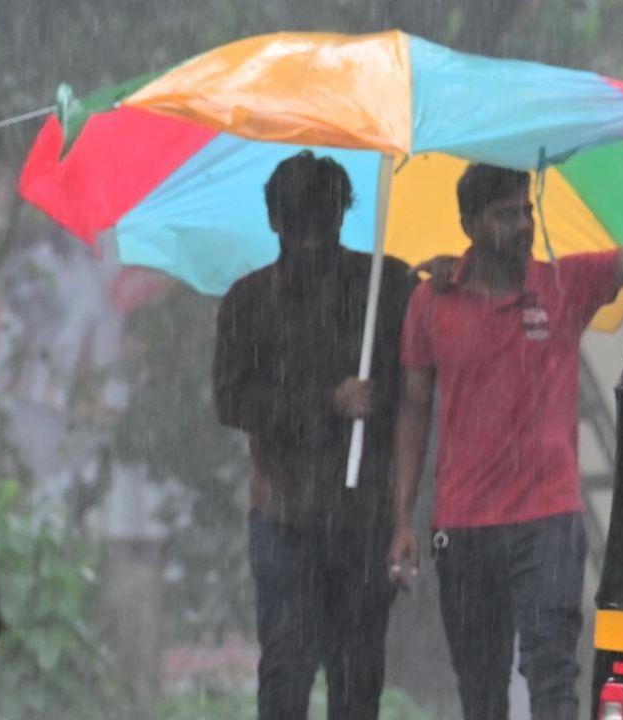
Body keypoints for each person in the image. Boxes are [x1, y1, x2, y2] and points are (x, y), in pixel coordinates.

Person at [388, 139, 623, 720]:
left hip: (549, 523)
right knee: (480, 692)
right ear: (470, 224)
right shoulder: (431, 302)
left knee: (553, 678)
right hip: (464, 526)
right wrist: (402, 520)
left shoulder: (564, 285)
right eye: (507, 215)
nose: (524, 225)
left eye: (527, 210)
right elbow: (411, 410)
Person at [213, 150, 414, 720]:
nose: (310, 240)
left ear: (343, 217)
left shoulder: (388, 285)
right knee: (286, 668)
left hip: (362, 519)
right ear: (276, 221)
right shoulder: (247, 302)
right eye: (298, 224)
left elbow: (418, 378)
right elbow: (232, 400)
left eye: (323, 223)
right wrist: (327, 403)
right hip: (285, 518)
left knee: (357, 676)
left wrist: (445, 276)